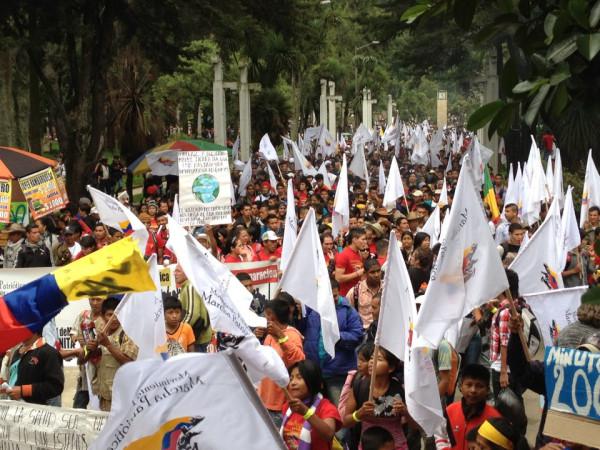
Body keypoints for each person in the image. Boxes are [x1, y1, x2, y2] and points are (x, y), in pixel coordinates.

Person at [302, 279, 363, 406]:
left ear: (339, 293)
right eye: (328, 296)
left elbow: (357, 336)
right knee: (315, 413)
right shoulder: (311, 309)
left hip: (338, 373)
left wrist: (337, 337)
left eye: (335, 295)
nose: (332, 299)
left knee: (340, 412)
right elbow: (301, 329)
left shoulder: (348, 311)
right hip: (315, 373)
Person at [342, 346, 413, 449]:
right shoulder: (359, 386)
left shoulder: (400, 390)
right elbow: (345, 422)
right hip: (368, 446)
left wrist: (405, 412)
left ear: (391, 368)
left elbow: (415, 426)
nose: (372, 362)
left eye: (378, 359)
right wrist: (358, 414)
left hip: (396, 446)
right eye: (371, 358)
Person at [258, 298, 305, 428]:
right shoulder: (268, 336)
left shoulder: (293, 335)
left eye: (267, 314)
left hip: (281, 404)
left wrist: (281, 337)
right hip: (264, 401)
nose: (265, 317)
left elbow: (299, 361)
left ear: (274, 317)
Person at [88, 297, 138, 412]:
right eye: (110, 315)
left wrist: (108, 345)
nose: (114, 319)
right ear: (102, 315)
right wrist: (91, 350)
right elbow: (82, 360)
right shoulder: (97, 332)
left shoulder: (128, 332)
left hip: (122, 398)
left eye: (117, 314)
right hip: (104, 397)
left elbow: (128, 362)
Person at [281, 360, 342, 450]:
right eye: (291, 378)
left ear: (313, 381)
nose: (293, 383)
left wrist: (306, 412)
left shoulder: (326, 407)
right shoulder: (288, 407)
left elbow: (328, 435)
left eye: (299, 377)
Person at [438, 364, 501, 450]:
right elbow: (441, 436)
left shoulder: (495, 418)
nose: (473, 390)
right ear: (460, 386)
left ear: (488, 390)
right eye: (469, 385)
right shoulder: (450, 411)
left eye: (479, 386)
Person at [0, 331, 64, 405]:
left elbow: (55, 386)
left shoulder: (49, 353)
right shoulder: (16, 351)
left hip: (34, 411)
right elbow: (13, 379)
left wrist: (23, 391)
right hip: (13, 410)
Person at [70, 296, 104, 409]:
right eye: (92, 299)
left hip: (101, 371)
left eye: (98, 300)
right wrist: (76, 339)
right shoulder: (83, 315)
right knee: (78, 408)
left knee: (100, 408)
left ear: (105, 299)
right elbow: (73, 332)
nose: (94, 303)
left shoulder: (107, 319)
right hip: (84, 370)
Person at [174, 264, 213, 352]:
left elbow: (192, 314)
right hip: (199, 337)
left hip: (199, 339)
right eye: (175, 271)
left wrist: (178, 332)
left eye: (178, 271)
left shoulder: (190, 287)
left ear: (187, 273)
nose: (174, 273)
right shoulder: (187, 286)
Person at [346, 259, 382, 330]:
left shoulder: (387, 288)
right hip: (364, 332)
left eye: (378, 271)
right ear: (365, 273)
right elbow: (348, 314)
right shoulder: (355, 292)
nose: (376, 275)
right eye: (372, 272)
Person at [335, 228, 368, 296]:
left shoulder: (359, 253)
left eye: (366, 239)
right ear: (354, 240)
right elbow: (338, 278)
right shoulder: (344, 255)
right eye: (363, 239)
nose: (365, 242)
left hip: (356, 295)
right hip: (345, 296)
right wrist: (357, 273)